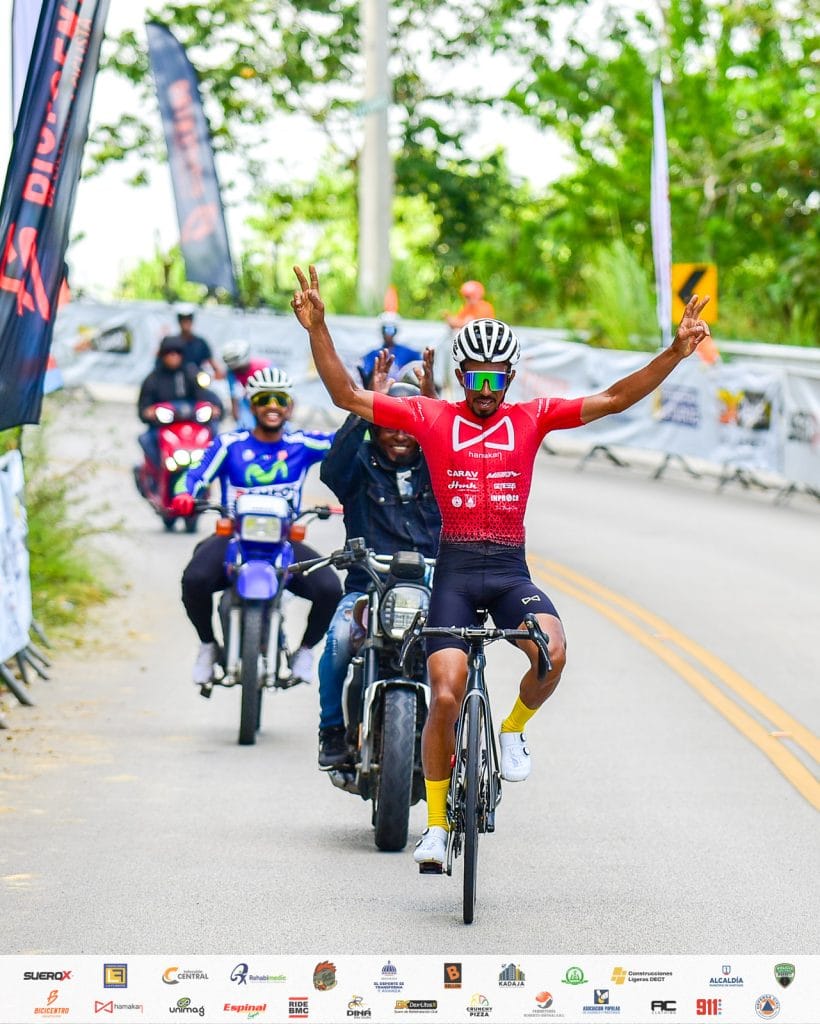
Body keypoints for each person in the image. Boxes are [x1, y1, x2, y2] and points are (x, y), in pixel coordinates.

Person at [291, 263, 713, 870]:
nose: (484, 387)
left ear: (509, 377)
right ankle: (436, 827)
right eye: (474, 376)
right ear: (461, 376)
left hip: (510, 573)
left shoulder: (531, 418)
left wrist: (674, 352)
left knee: (553, 653)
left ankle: (513, 728)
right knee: (444, 693)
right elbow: (348, 397)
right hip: (455, 575)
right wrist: (318, 330)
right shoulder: (432, 417)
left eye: (495, 376)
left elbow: (615, 399)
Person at [171, 366, 342, 687]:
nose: (272, 406)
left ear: (290, 406)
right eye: (264, 399)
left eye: (280, 399)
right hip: (235, 537)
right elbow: (196, 474)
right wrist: (184, 493)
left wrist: (372, 401)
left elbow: (347, 441)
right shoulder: (229, 444)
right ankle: (207, 646)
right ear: (251, 405)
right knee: (194, 580)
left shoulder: (303, 444)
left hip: (283, 541)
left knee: (330, 589)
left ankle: (305, 651)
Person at [316, 355, 442, 768]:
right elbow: (331, 469)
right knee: (337, 643)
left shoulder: (439, 470)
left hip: (430, 592)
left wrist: (433, 400)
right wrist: (367, 403)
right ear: (375, 427)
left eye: (409, 425)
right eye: (390, 424)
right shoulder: (358, 468)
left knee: (458, 655)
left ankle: (456, 738)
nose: (400, 434)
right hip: (366, 590)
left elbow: (451, 440)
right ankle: (332, 729)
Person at [136, 336, 223, 474]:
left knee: (215, 436)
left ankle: (212, 471)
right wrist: (149, 412)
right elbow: (143, 409)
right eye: (169, 352)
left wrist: (215, 408)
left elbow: (206, 395)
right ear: (162, 355)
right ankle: (157, 472)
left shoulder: (191, 374)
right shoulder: (153, 379)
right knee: (146, 439)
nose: (173, 356)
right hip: (163, 427)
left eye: (177, 352)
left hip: (192, 424)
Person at [358, 313, 423, 388]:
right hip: (380, 390)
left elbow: (420, 364)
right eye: (385, 330)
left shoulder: (407, 352)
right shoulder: (373, 354)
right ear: (381, 331)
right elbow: (366, 375)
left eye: (391, 330)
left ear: (395, 331)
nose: (388, 334)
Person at [221, 338, 271, 430]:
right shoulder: (231, 373)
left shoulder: (264, 366)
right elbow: (234, 394)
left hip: (268, 400)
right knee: (245, 427)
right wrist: (236, 414)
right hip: (247, 403)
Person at [162, 303, 222, 379]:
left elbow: (211, 362)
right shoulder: (172, 342)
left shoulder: (200, 343)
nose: (186, 322)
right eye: (182, 319)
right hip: (176, 378)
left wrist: (217, 372)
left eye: (188, 319)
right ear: (179, 321)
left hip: (197, 380)